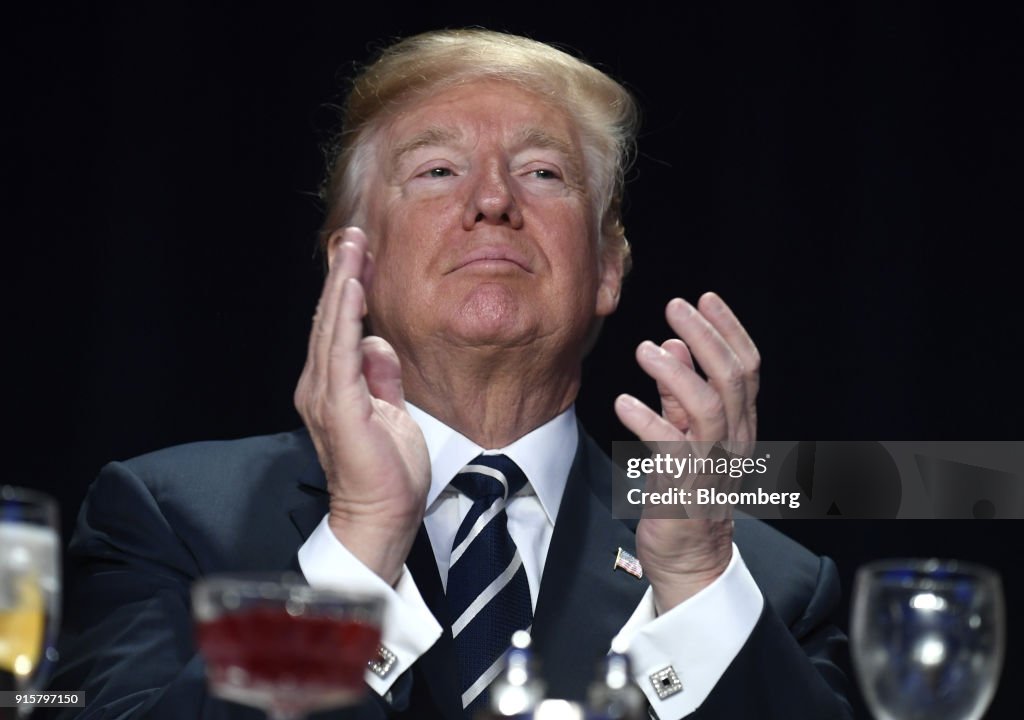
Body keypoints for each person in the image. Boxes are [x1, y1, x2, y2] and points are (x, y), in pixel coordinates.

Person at [46, 29, 852, 719]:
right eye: (437, 170)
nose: (493, 200)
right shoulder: (171, 522)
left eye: (543, 172)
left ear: (608, 270)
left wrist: (696, 577)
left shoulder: (768, 585)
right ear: (351, 265)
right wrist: (357, 551)